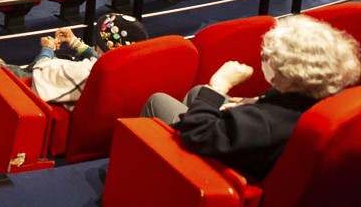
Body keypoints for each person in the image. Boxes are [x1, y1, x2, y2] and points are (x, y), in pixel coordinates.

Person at [140, 14, 360, 182]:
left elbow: (198, 132)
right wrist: (258, 101)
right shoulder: (326, 95)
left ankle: (143, 175)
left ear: (287, 71)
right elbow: (281, 107)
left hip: (220, 166)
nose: (263, 59)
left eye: (268, 57)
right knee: (199, 92)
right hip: (258, 148)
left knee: (158, 101)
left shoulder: (264, 122)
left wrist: (219, 86)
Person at [0, 14, 149, 109]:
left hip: (61, 100)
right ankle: (7, 68)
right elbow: (99, 58)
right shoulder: (127, 66)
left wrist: (47, 48)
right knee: (62, 58)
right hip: (87, 98)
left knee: (47, 63)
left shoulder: (89, 71)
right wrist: (74, 43)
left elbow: (43, 71)